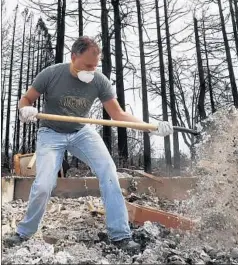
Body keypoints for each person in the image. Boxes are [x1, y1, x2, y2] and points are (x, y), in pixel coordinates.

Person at [6, 36, 174, 251]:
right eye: (87, 65)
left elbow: (119, 115)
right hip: (51, 133)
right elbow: (26, 99)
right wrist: (25, 109)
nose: (91, 70)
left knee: (109, 172)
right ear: (73, 57)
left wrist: (151, 127)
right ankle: (24, 232)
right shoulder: (51, 74)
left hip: (81, 132)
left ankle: (120, 235)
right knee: (44, 184)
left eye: (95, 66)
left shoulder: (99, 81)